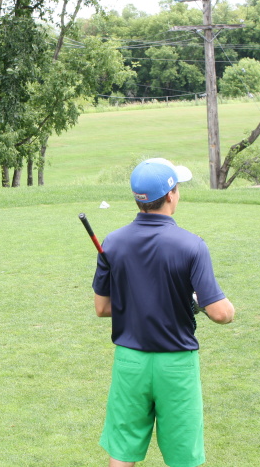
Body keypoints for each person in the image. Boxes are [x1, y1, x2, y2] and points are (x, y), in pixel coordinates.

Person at [91, 158, 235, 467]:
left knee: (122, 453)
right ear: (170, 195)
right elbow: (221, 314)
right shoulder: (191, 245)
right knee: (183, 458)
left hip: (130, 363)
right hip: (176, 365)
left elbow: (102, 308)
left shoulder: (112, 242)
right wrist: (201, 304)